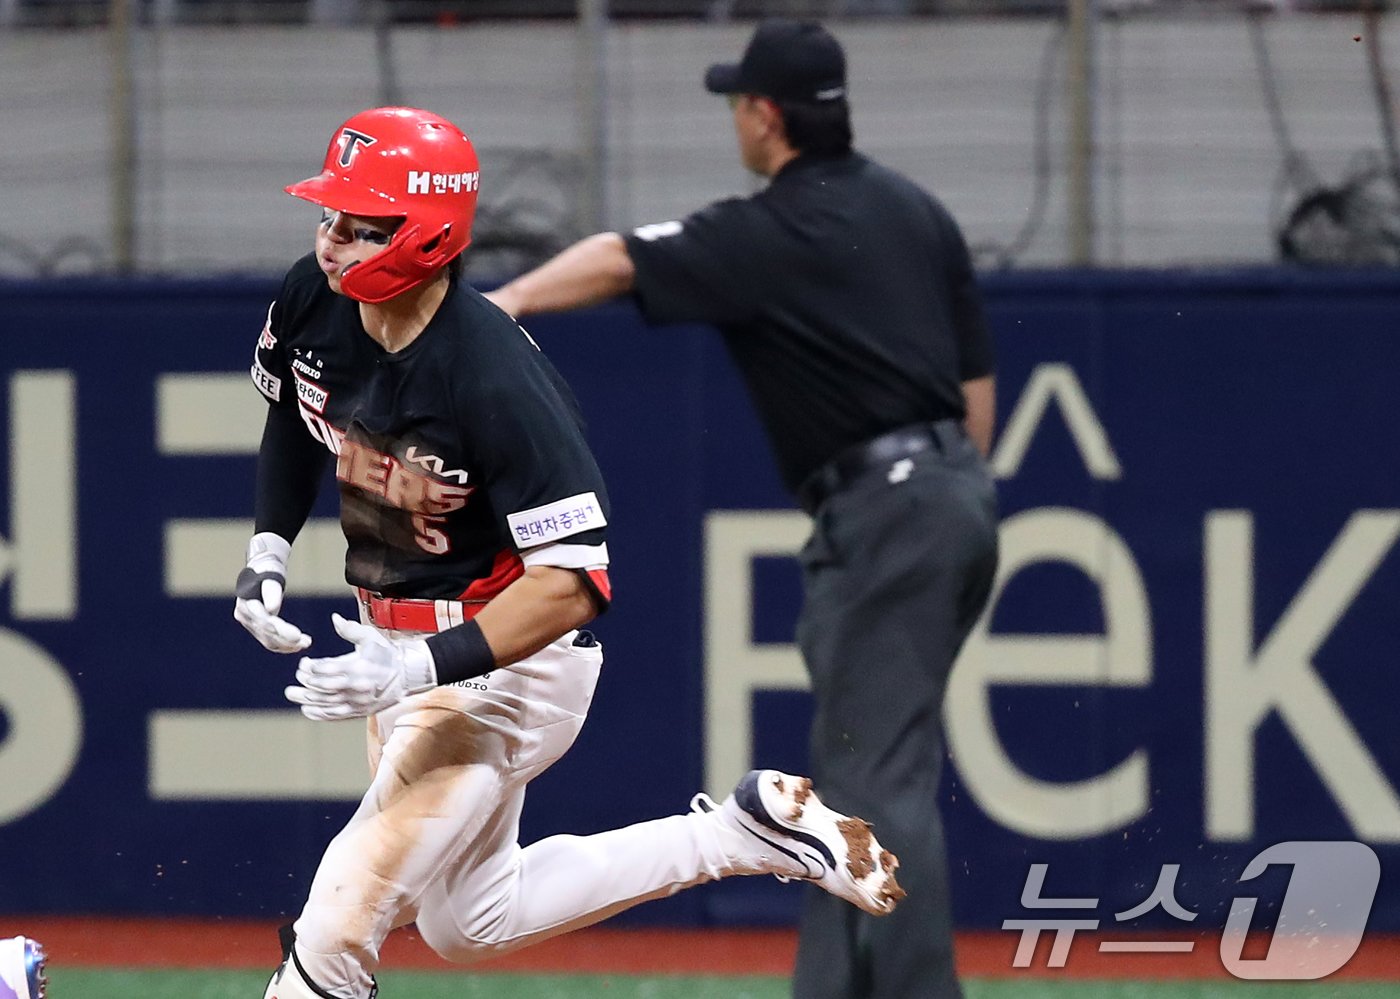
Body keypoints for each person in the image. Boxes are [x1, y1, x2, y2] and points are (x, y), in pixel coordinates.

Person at [234, 104, 903, 999]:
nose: (331, 242)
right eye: (328, 217)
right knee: (469, 921)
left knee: (339, 913)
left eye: (362, 225)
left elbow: (573, 582)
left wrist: (417, 666)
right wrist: (269, 548)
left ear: (427, 233)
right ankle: (737, 835)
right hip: (403, 653)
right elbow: (292, 411)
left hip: (501, 671)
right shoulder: (314, 297)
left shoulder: (493, 373)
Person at [485, 19, 999, 999]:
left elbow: (618, 257)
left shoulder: (775, 228)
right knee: (853, 781)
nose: (735, 120)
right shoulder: (914, 210)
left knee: (876, 786)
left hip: (886, 510)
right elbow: (974, 391)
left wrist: (502, 305)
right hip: (946, 497)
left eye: (737, 104)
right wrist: (944, 493)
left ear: (766, 116)